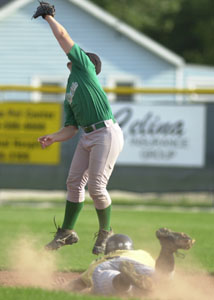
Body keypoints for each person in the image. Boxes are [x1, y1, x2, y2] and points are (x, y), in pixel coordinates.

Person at [32, 2, 124, 255]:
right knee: (73, 183)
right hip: (87, 135)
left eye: (78, 54)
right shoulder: (71, 90)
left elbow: (63, 37)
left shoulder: (85, 70)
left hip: (106, 133)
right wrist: (53, 137)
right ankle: (67, 231)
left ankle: (106, 231)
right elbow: (71, 128)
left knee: (96, 187)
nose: (72, 55)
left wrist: (49, 17)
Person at [66, 228, 195, 296]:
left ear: (109, 250)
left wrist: (62, 287)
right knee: (162, 278)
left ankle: (124, 278)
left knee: (109, 280)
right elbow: (160, 269)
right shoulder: (141, 254)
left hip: (110, 266)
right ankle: (167, 251)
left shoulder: (100, 260)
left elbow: (76, 286)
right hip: (138, 263)